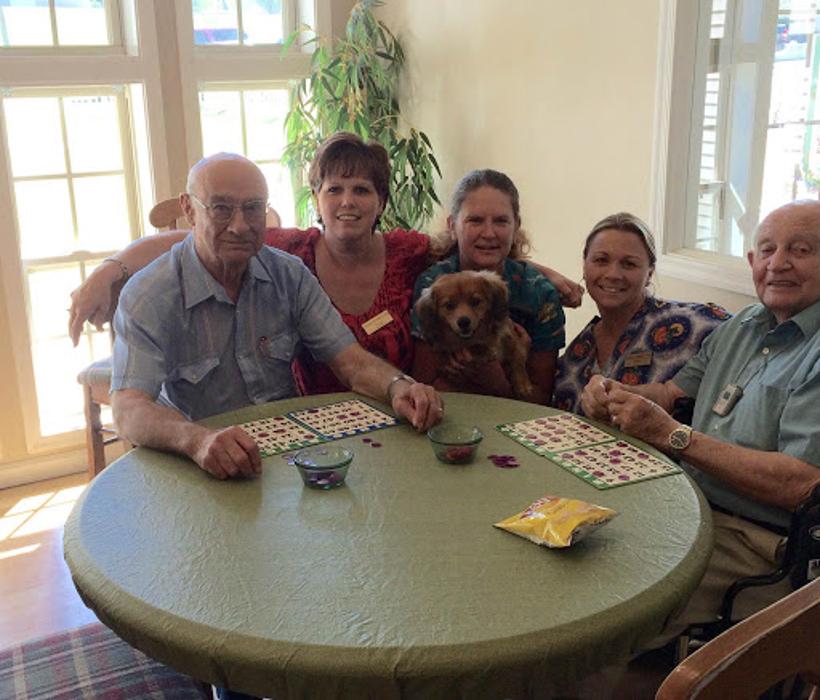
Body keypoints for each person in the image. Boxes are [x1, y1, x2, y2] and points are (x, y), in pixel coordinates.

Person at [68, 133, 584, 393]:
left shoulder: (409, 254)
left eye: (361, 189)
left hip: (394, 418)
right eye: (334, 188)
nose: (348, 201)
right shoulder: (290, 252)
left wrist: (545, 273)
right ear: (316, 197)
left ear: (380, 200)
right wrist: (111, 269)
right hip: (312, 428)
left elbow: (478, 251)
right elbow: (197, 237)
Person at [111, 152, 443, 484]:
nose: (240, 226)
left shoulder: (290, 275)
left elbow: (351, 361)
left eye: (253, 208)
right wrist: (196, 440)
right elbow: (128, 408)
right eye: (222, 208)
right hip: (195, 467)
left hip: (286, 461)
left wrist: (397, 386)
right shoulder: (150, 295)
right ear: (189, 209)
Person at [581, 199, 820, 633]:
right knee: (571, 554)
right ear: (751, 261)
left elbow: (801, 483)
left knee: (606, 607)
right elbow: (671, 394)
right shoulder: (743, 325)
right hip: (686, 507)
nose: (778, 264)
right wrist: (613, 394)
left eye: (801, 250)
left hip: (761, 540)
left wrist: (675, 437)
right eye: (766, 250)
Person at [411, 169, 565, 404]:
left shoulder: (540, 294)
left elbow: (541, 399)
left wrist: (497, 383)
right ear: (452, 225)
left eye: (501, 221)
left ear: (516, 226)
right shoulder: (432, 284)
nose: (489, 233)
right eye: (475, 220)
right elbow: (423, 383)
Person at [553, 212, 730, 415]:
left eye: (629, 264)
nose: (613, 274)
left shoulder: (691, 324)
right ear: (584, 266)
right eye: (601, 260)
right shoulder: (577, 353)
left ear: (649, 274)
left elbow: (746, 331)